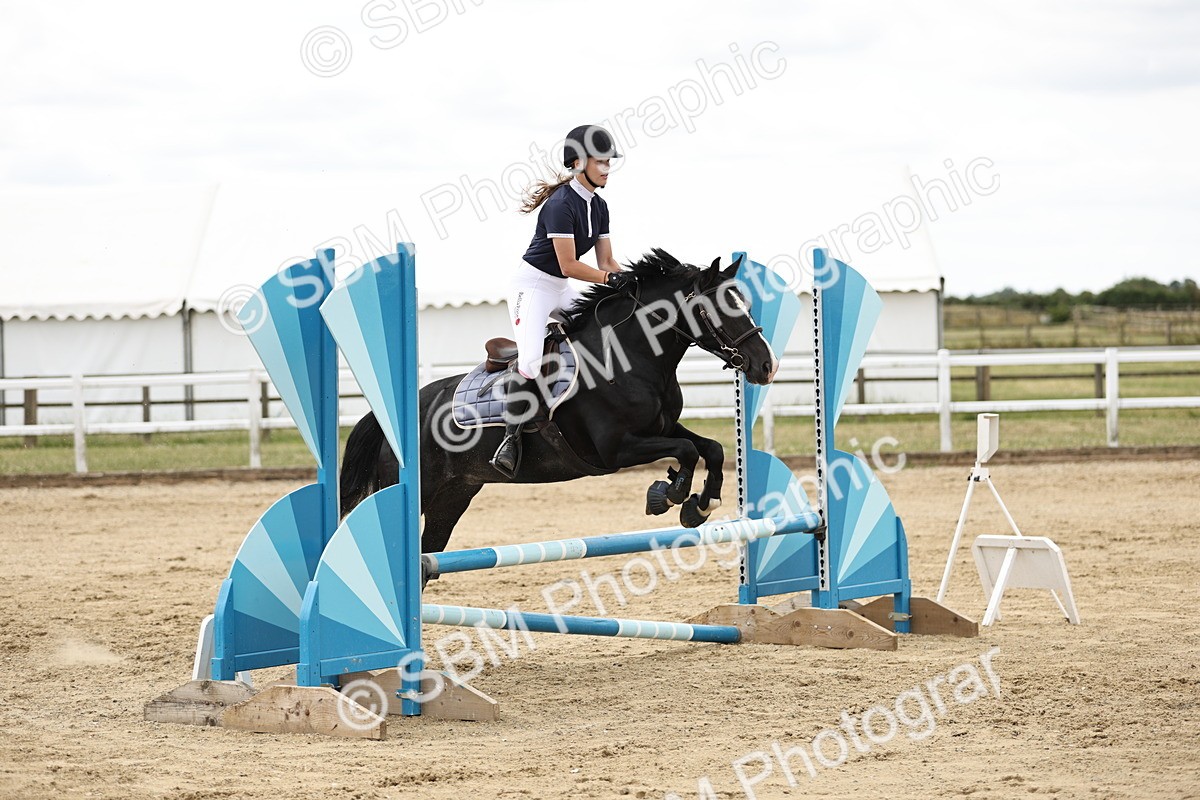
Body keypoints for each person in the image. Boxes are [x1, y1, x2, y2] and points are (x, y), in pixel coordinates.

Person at [490, 124, 635, 477]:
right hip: (533, 288)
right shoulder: (559, 205)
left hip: (560, 287)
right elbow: (570, 264)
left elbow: (607, 263)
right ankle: (509, 441)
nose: (607, 168)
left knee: (602, 326)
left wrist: (632, 282)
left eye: (608, 162)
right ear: (578, 162)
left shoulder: (599, 206)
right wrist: (608, 279)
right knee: (531, 361)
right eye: (601, 162)